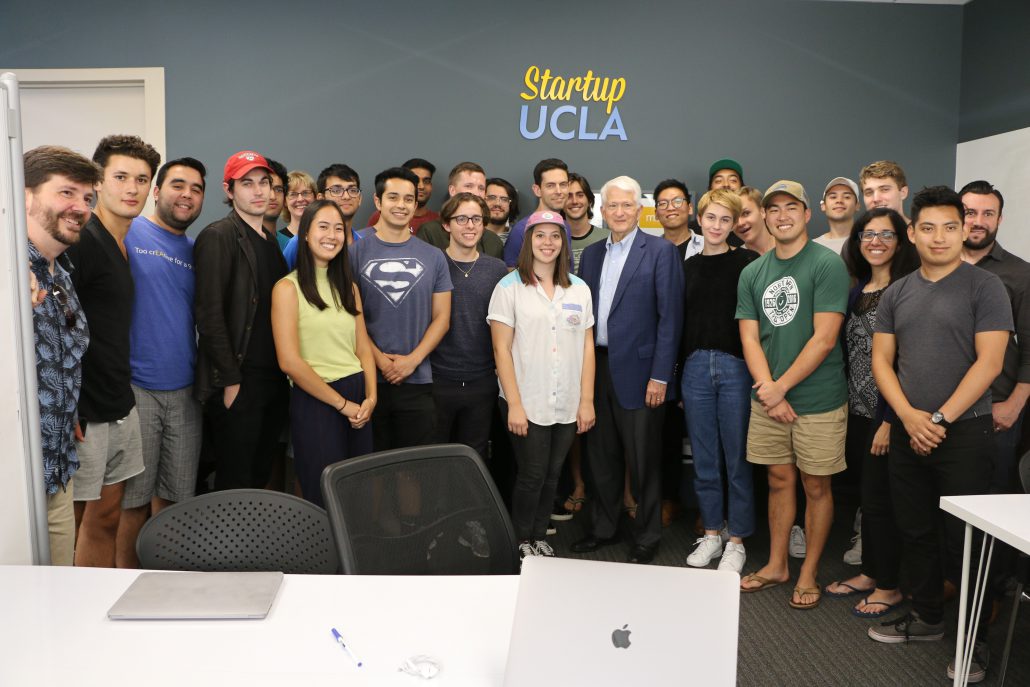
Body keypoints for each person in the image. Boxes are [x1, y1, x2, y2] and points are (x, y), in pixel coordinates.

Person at [868, 186, 1010, 684]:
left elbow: (990, 363)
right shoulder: (897, 291)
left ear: (963, 229)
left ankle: (975, 642)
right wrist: (908, 417)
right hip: (910, 432)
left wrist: (940, 419)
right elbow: (882, 361)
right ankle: (928, 619)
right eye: (927, 227)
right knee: (916, 532)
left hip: (964, 434)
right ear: (912, 232)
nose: (939, 236)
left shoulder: (984, 287)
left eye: (950, 226)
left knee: (963, 542)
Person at [736, 180, 849, 610]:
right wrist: (770, 391)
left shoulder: (826, 264)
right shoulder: (752, 271)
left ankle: (808, 572)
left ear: (806, 214)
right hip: (768, 399)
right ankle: (778, 564)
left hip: (817, 400)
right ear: (764, 216)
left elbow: (824, 339)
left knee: (815, 485)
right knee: (778, 480)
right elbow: (749, 338)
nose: (782, 215)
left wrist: (781, 388)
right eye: (773, 208)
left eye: (791, 207)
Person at [572, 176, 684, 565]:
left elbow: (671, 319)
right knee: (600, 457)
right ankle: (604, 528)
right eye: (612, 206)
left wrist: (661, 376)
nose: (618, 213)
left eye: (626, 206)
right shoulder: (591, 256)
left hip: (641, 373)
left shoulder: (660, 252)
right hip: (596, 367)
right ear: (602, 211)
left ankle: (648, 536)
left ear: (639, 210)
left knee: (644, 462)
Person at [67, 134, 160, 568]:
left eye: (142, 179)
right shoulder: (83, 240)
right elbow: (54, 326)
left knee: (105, 516)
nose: (132, 188)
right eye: (121, 177)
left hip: (118, 400)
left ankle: (98, 608)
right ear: (98, 182)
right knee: (76, 519)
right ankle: (74, 614)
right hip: (85, 409)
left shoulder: (122, 242)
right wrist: (68, 406)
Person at [822, 209, 918, 617]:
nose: (875, 241)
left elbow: (908, 363)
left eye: (886, 234)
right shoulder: (857, 288)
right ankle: (870, 573)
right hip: (856, 410)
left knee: (886, 502)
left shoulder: (907, 290)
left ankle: (891, 585)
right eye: (867, 234)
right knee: (868, 498)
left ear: (901, 241)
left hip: (888, 414)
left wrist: (889, 420)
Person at [115, 157, 207, 568]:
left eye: (196, 188)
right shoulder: (129, 233)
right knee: (132, 500)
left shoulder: (197, 250)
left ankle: (168, 581)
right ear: (157, 191)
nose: (187, 194)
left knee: (176, 497)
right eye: (178, 185)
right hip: (136, 389)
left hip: (186, 390)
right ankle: (122, 582)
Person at [488, 210, 595, 561]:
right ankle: (520, 541)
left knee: (552, 473)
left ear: (564, 242)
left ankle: (537, 534)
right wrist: (515, 404)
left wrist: (586, 401)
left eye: (555, 236)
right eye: (540, 236)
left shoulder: (578, 288)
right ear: (527, 241)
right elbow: (501, 349)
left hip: (566, 399)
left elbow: (587, 346)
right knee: (532, 474)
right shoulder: (509, 288)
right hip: (526, 399)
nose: (547, 243)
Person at [194, 150, 289, 490]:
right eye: (247, 183)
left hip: (272, 380)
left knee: (258, 476)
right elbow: (208, 314)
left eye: (265, 183)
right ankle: (227, 546)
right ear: (229, 190)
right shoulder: (219, 236)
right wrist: (230, 381)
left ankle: (253, 546)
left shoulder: (269, 241)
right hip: (239, 380)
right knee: (235, 483)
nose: (259, 191)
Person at [271, 200, 376, 506]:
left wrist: (370, 398)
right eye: (323, 226)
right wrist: (342, 405)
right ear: (305, 233)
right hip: (318, 399)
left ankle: (352, 555)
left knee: (358, 494)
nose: (332, 235)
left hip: (359, 398)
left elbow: (363, 348)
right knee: (322, 496)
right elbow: (289, 362)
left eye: (339, 228)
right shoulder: (287, 289)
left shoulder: (349, 287)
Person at [24, 145, 99, 565]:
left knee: (55, 592)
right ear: (26, 196)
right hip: (16, 476)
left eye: (87, 198)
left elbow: (58, 356)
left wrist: (66, 412)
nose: (80, 208)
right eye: (66, 193)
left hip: (57, 469)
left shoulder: (61, 275)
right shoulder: (9, 268)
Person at [680, 189, 758, 574]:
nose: (716, 226)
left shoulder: (748, 261)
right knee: (704, 457)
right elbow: (680, 324)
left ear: (734, 224)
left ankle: (738, 539)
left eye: (725, 220)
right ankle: (712, 532)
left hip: (736, 367)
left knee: (737, 457)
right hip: (695, 367)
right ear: (700, 218)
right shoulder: (689, 265)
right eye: (711, 218)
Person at [350, 167, 452, 451]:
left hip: (418, 381)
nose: (402, 205)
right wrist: (381, 361)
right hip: (367, 378)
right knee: (368, 468)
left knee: (412, 473)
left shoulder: (434, 257)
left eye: (409, 199)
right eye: (393, 197)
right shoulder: (353, 252)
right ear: (378, 201)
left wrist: (411, 361)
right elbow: (349, 317)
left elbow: (442, 318)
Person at [431, 193, 508, 459]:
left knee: (473, 458)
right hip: (438, 378)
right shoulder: (433, 264)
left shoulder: (497, 269)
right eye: (461, 218)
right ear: (446, 224)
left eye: (476, 219)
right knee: (434, 456)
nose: (470, 225)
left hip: (482, 380)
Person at [416, 162, 503, 259]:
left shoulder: (494, 241)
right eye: (469, 186)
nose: (476, 193)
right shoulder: (429, 232)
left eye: (481, 188)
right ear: (452, 190)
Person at [283, 163, 363, 268]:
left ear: (360, 198)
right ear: (321, 198)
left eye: (352, 190)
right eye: (336, 190)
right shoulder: (299, 243)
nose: (346, 196)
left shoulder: (364, 244)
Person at [502, 158, 571, 268]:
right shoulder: (521, 230)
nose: (559, 191)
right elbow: (510, 274)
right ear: (537, 190)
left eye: (563, 184)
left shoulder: (565, 226)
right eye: (550, 185)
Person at [367, 158, 440, 234]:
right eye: (416, 181)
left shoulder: (438, 221)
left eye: (426, 181)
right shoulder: (382, 216)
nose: (421, 186)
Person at [566, 172, 608, 274]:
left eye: (580, 195)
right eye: (568, 196)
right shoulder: (554, 240)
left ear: (589, 200)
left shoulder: (608, 238)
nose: (574, 201)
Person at [654, 179, 703, 260]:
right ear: (656, 214)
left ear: (690, 208)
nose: (670, 208)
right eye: (663, 203)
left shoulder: (708, 246)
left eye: (677, 201)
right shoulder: (649, 250)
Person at [813, 177, 861, 254]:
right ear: (823, 206)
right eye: (833, 197)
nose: (839, 201)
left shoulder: (869, 242)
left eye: (847, 197)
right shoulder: (813, 247)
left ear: (857, 206)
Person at [279, 170, 316, 250]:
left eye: (306, 193)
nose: (300, 199)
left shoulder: (325, 237)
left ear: (315, 198)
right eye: (293, 194)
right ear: (285, 201)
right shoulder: (276, 241)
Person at [734, 186, 774, 255]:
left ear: (762, 212)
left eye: (746, 213)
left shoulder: (792, 246)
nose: (740, 223)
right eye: (734, 218)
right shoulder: (735, 262)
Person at [485, 177, 520, 244]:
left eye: (504, 199)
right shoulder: (471, 237)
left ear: (511, 204)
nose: (497, 203)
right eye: (491, 198)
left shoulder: (519, 239)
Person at [263, 158, 288, 245]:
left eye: (278, 190)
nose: (273, 197)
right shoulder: (233, 242)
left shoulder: (290, 245)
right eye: (266, 189)